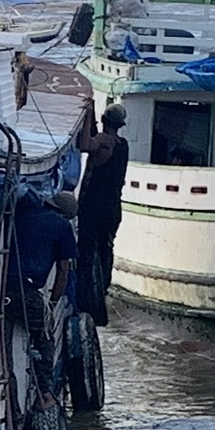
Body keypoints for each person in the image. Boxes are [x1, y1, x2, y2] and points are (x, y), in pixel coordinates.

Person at [8, 192, 78, 410]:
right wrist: (53, 303)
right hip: (26, 290)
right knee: (45, 334)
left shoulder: (21, 212)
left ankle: (11, 400)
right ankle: (45, 392)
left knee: (4, 345)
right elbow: (63, 271)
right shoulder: (61, 226)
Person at [76, 104, 128, 326]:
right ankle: (102, 291)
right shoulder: (122, 145)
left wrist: (87, 116)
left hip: (93, 207)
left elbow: (85, 144)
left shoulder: (104, 142)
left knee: (86, 255)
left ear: (104, 119)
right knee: (106, 250)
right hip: (113, 208)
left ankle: (84, 301)